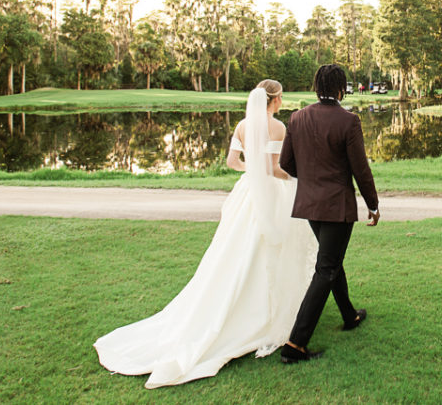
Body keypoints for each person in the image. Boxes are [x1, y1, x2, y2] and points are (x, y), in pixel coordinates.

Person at [94, 80, 317, 388]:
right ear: (275, 99)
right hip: (272, 195)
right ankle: (264, 311)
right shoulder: (278, 128)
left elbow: (232, 163)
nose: (281, 101)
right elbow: (274, 169)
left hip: (248, 194)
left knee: (238, 250)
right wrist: (297, 175)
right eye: (280, 98)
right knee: (269, 247)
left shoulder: (242, 125)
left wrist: (251, 171)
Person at [278, 64, 380, 364]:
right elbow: (360, 168)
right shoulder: (348, 120)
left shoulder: (296, 117)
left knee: (331, 261)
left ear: (315, 86)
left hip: (310, 205)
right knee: (326, 268)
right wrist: (372, 204)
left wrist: (310, 180)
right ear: (341, 89)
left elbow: (286, 163)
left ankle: (349, 316)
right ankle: (295, 345)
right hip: (337, 206)